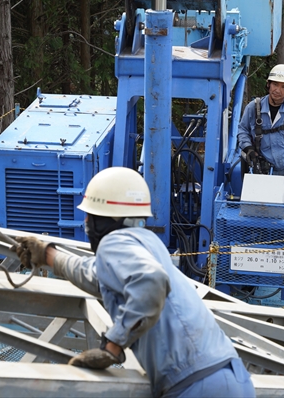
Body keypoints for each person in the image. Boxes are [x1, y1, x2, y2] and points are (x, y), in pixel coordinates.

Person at [14, 167, 255, 398]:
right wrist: (47, 254)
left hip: (196, 386)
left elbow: (151, 282)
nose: (86, 222)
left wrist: (113, 346)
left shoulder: (114, 243)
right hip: (232, 378)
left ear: (104, 220)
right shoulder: (148, 244)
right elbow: (92, 274)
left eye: (90, 216)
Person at [237, 64, 284, 180]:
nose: (278, 90)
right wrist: (248, 148)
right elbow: (243, 130)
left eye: (283, 86)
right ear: (268, 84)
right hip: (259, 169)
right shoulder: (253, 108)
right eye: (275, 84)